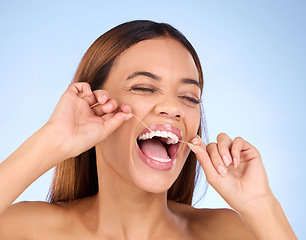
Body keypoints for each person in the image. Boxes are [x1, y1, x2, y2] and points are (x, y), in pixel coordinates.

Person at [0, 20, 297, 239]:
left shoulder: (229, 232)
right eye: (143, 88)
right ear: (96, 105)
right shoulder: (27, 229)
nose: (173, 107)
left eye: (189, 97)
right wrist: (52, 140)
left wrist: (261, 204)